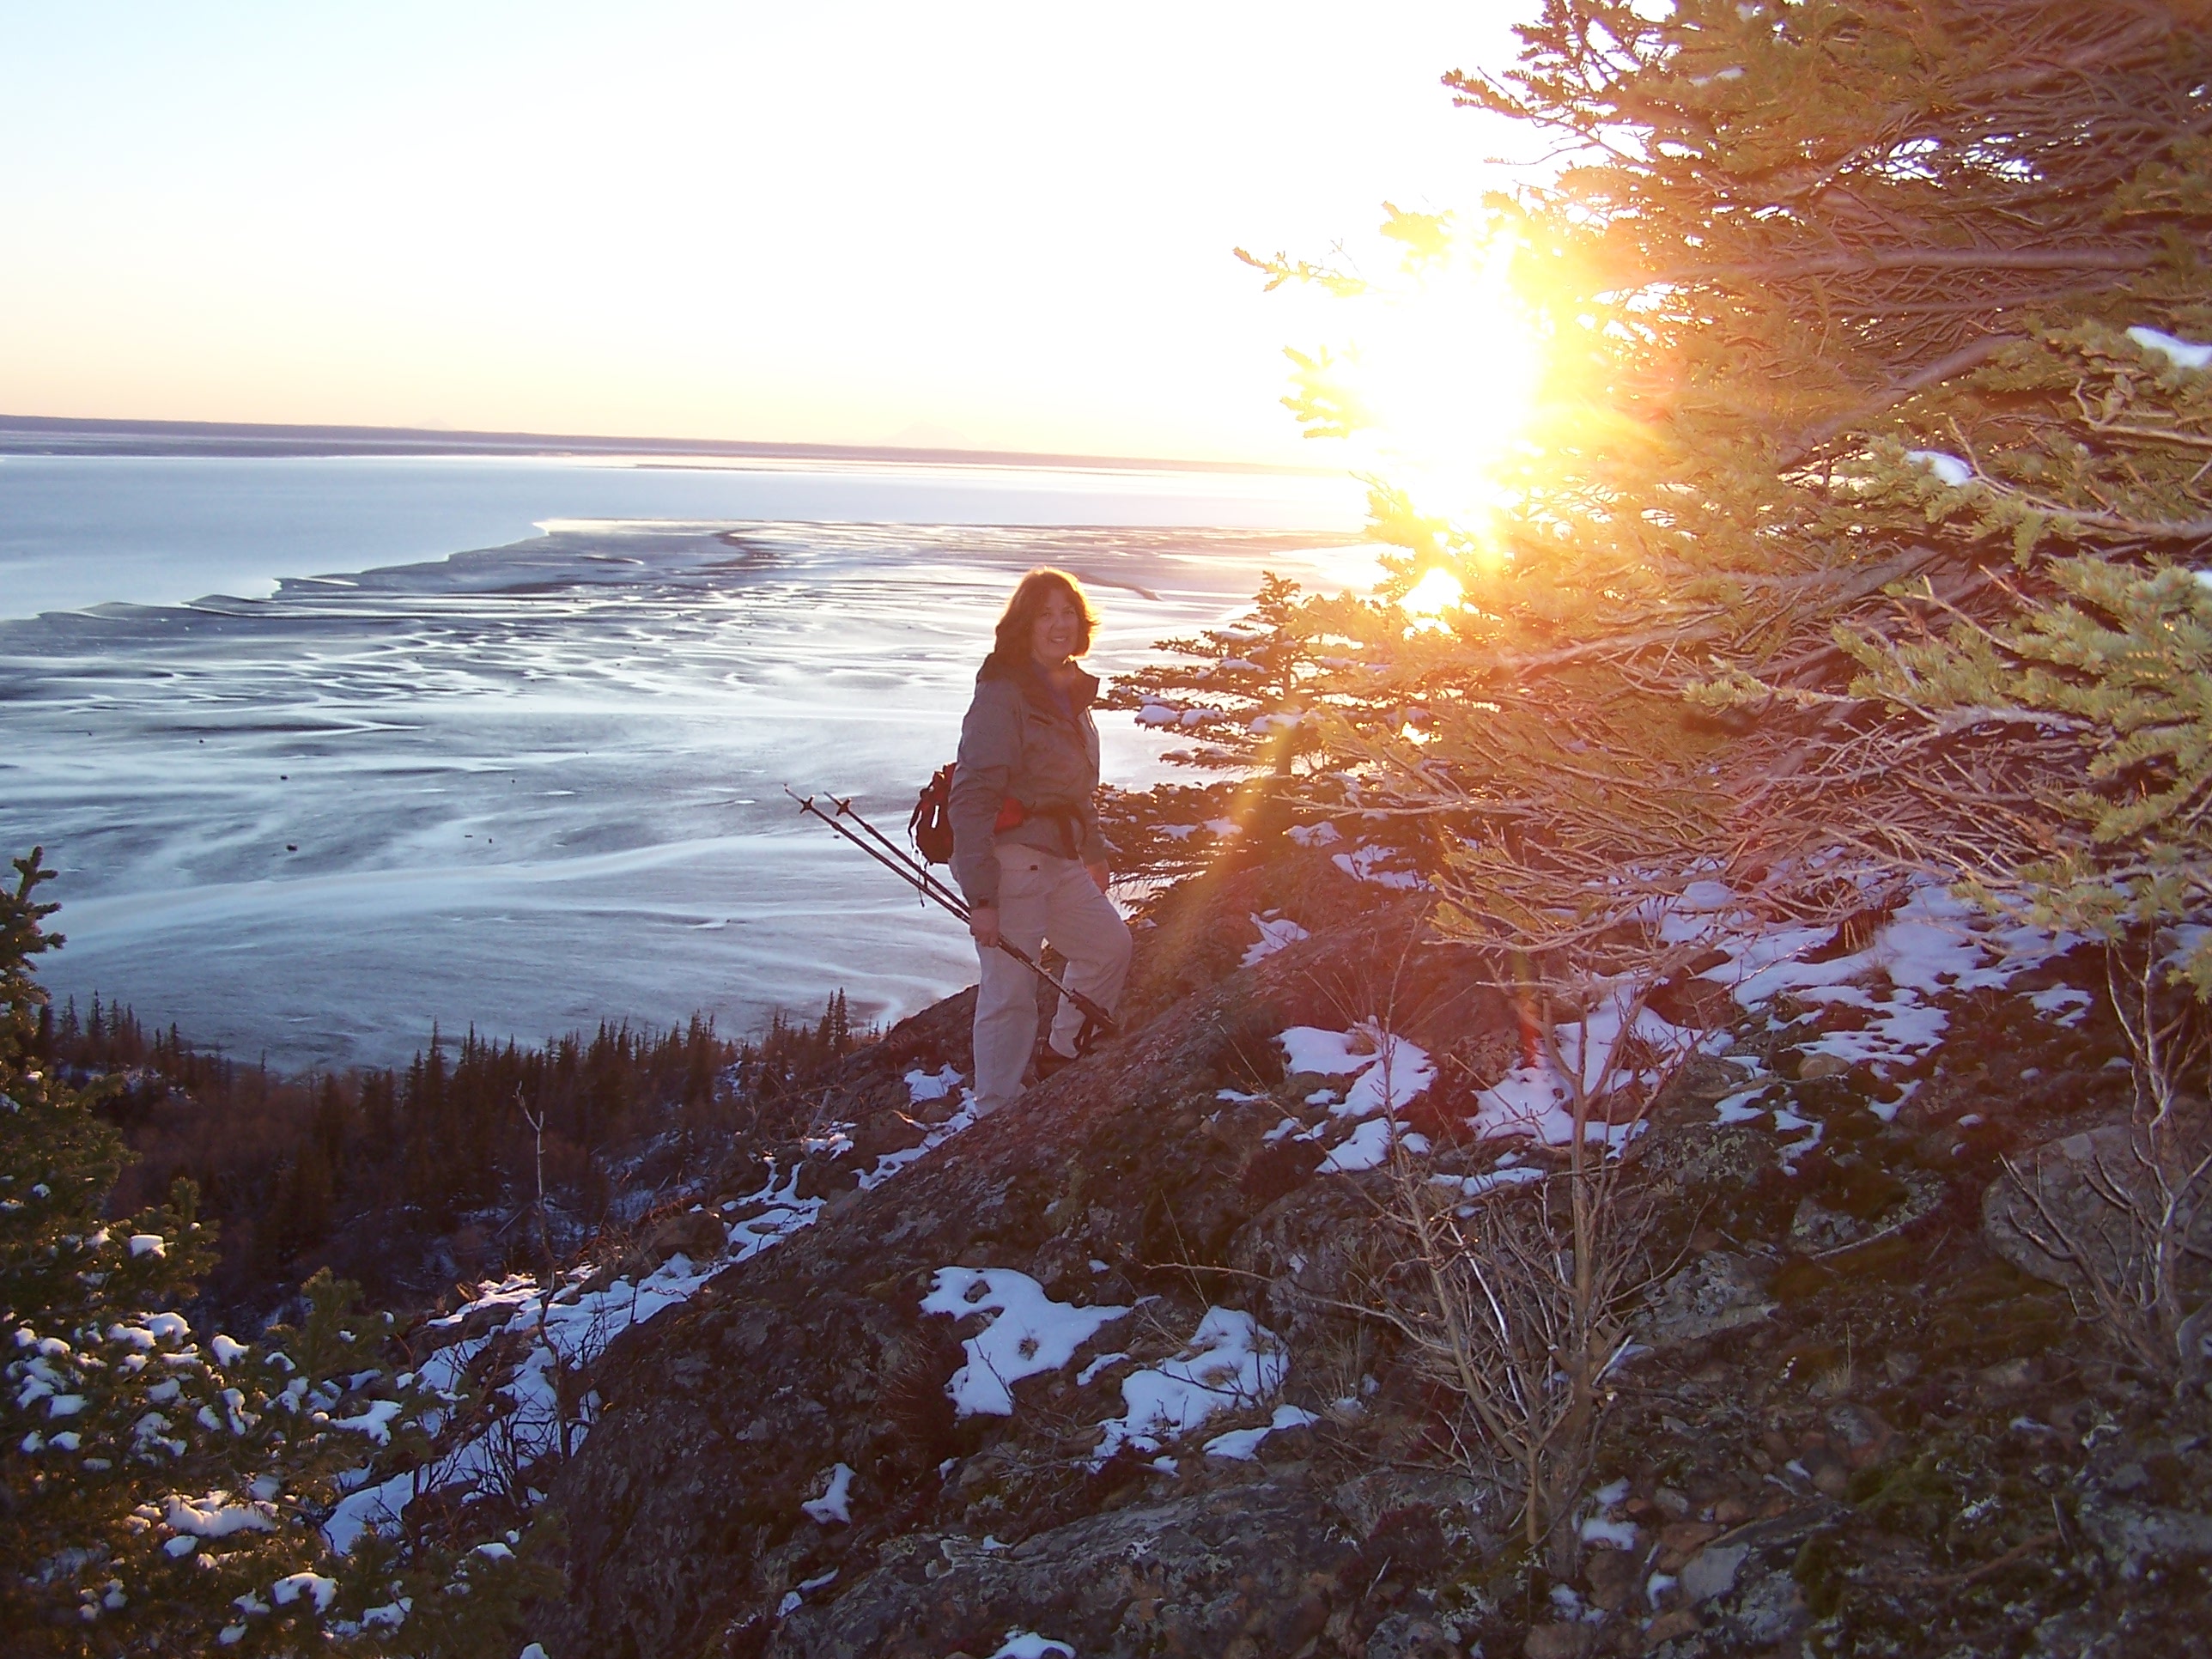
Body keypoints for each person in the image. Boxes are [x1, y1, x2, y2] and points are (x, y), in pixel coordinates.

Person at [950, 568, 1133, 1116]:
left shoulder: (1068, 690)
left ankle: (1063, 1054)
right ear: (1024, 625)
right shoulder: (1004, 691)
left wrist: (1094, 849)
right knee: (1009, 995)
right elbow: (972, 796)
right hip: (1010, 864)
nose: (1059, 624)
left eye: (1068, 613)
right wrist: (982, 897)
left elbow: (1075, 788)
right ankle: (996, 1112)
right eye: (1045, 614)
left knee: (1108, 947)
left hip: (1060, 856)